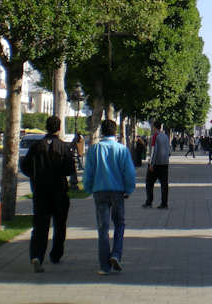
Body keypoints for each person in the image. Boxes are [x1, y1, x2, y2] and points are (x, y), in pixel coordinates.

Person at [20, 116, 76, 273]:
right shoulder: (63, 147)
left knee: (40, 225)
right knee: (60, 224)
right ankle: (56, 254)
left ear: (46, 127)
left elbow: (25, 166)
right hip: (59, 190)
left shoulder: (37, 146)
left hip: (41, 190)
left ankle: (37, 255)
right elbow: (69, 169)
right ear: (59, 128)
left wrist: (35, 176)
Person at [84, 120, 136, 275]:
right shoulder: (122, 150)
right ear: (115, 133)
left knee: (103, 228)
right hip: (117, 191)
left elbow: (88, 173)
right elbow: (129, 173)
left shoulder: (94, 150)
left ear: (102, 131)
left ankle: (104, 266)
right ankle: (116, 254)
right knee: (119, 223)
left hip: (99, 191)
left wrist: (88, 188)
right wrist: (128, 189)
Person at [143, 121, 171, 209]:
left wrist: (151, 163)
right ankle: (164, 203)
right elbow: (169, 150)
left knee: (149, 183)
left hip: (156, 163)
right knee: (164, 184)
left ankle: (149, 201)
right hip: (165, 163)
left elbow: (153, 150)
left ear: (154, 127)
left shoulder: (155, 136)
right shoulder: (166, 136)